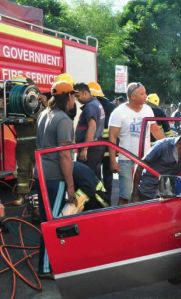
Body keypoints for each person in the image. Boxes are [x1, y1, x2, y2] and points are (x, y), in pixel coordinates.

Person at [35, 80, 77, 278]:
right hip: (54, 176)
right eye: (73, 96)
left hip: (41, 173)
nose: (74, 100)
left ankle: (47, 263)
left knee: (46, 220)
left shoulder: (44, 114)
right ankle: (46, 268)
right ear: (67, 97)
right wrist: (70, 186)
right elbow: (64, 155)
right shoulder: (64, 120)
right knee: (54, 223)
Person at [108, 82, 165, 205]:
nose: (146, 96)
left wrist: (167, 145)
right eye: (142, 93)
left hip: (145, 159)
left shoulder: (148, 109)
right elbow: (112, 137)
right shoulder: (118, 113)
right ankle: (120, 219)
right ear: (132, 96)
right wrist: (113, 160)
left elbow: (155, 129)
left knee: (141, 193)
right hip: (126, 159)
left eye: (145, 93)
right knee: (125, 194)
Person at [132, 116, 181, 201]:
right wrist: (135, 193)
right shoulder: (163, 146)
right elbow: (140, 166)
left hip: (167, 191)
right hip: (147, 191)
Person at [88, 81, 116, 199]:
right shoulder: (111, 106)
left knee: (96, 175)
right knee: (108, 175)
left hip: (97, 147)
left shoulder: (92, 106)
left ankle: (99, 199)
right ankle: (108, 198)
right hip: (110, 147)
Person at [74, 83, 105, 178]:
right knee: (94, 177)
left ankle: (89, 193)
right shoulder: (96, 104)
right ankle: (98, 193)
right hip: (95, 146)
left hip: (90, 149)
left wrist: (85, 149)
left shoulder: (90, 106)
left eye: (78, 96)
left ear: (85, 93)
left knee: (84, 177)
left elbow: (92, 127)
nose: (76, 99)